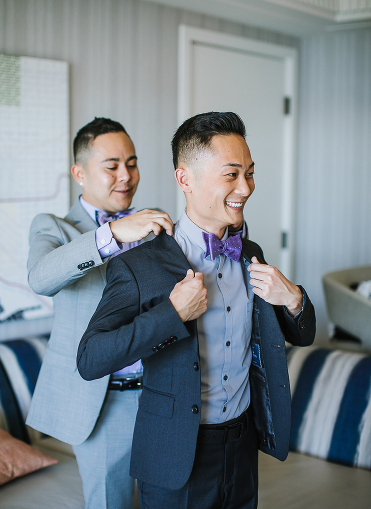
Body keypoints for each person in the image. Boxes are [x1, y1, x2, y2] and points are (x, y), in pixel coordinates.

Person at [77, 111, 316, 509]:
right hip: (176, 455)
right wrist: (171, 313)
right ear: (185, 179)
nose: (246, 188)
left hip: (243, 447)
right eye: (232, 174)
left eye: (250, 173)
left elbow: (303, 334)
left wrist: (293, 298)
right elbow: (90, 358)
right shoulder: (141, 264)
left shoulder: (251, 255)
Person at [25, 118, 175, 509]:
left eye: (132, 163)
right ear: (80, 173)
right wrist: (113, 235)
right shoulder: (54, 227)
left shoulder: (155, 224)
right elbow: (41, 278)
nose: (126, 176)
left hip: (165, 391)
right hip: (102, 402)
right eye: (111, 166)